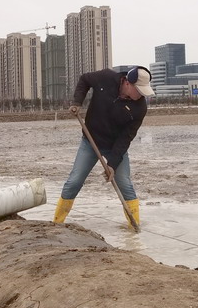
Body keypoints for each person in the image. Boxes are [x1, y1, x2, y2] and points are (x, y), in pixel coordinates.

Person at [53, 66, 154, 227]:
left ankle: (133, 229)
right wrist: (77, 102)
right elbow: (84, 79)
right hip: (90, 142)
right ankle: (56, 224)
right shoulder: (106, 78)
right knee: (74, 182)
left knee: (125, 186)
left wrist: (112, 164)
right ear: (128, 83)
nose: (142, 95)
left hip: (115, 147)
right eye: (139, 90)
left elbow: (126, 138)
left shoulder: (140, 108)